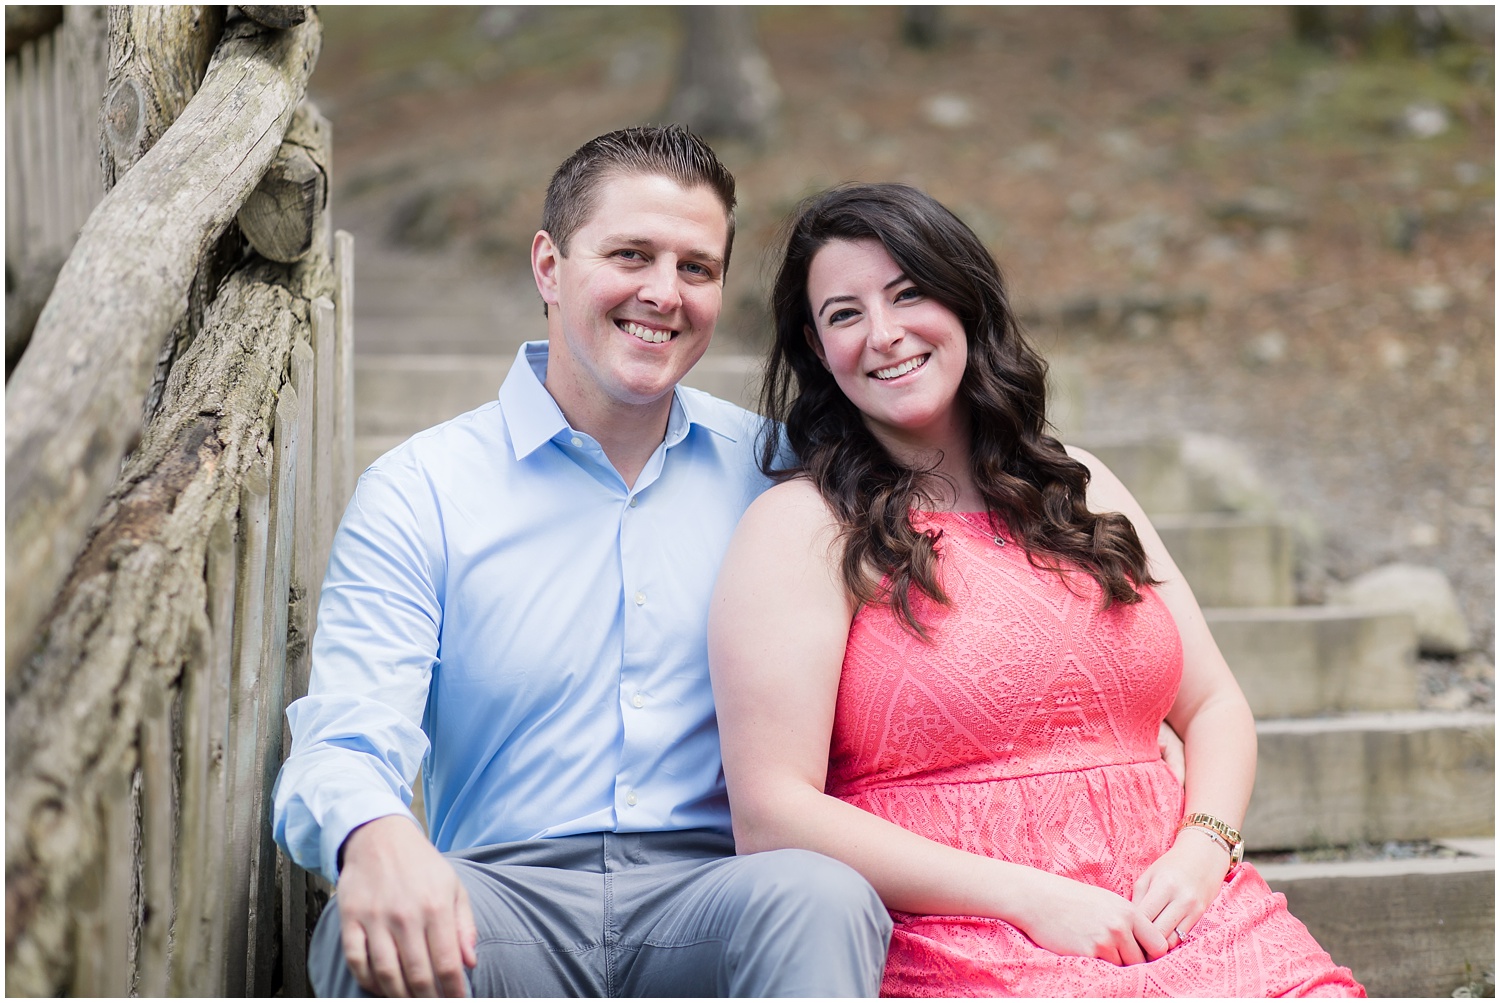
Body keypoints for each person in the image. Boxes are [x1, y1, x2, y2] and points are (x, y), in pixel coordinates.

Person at [272, 127, 892, 998]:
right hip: (501, 896)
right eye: (630, 254)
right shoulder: (422, 488)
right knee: (363, 932)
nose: (663, 294)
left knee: (824, 897)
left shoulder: (779, 473)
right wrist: (376, 835)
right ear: (550, 267)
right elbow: (346, 730)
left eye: (697, 268)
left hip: (717, 892)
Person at [707, 182, 1365, 997]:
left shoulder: (1084, 486)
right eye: (844, 314)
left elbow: (1215, 705)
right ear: (816, 347)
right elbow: (771, 811)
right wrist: (1030, 899)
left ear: (964, 299)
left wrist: (1205, 843)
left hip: (1194, 915)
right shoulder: (802, 528)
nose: (883, 334)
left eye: (908, 293)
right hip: (970, 942)